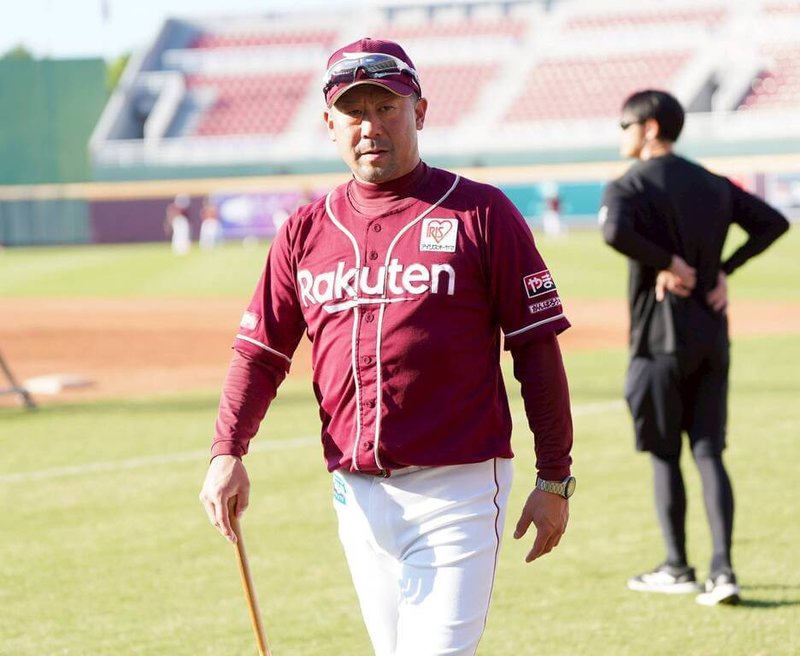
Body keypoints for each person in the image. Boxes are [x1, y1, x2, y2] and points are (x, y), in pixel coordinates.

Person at [199, 38, 576, 655]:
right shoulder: (304, 230)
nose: (370, 125)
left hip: (458, 487)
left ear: (419, 112)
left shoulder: (481, 213)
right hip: (354, 492)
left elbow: (536, 351)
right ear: (329, 124)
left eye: (386, 107)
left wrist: (554, 477)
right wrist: (226, 451)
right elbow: (260, 353)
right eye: (353, 111)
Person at [600, 89, 789, 606]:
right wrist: (724, 269)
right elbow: (774, 223)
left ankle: (677, 567)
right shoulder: (712, 182)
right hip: (710, 333)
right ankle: (723, 572)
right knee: (708, 452)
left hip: (657, 341)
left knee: (665, 456)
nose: (621, 135)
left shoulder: (629, 184)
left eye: (625, 125)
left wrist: (665, 262)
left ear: (650, 128)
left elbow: (613, 231)